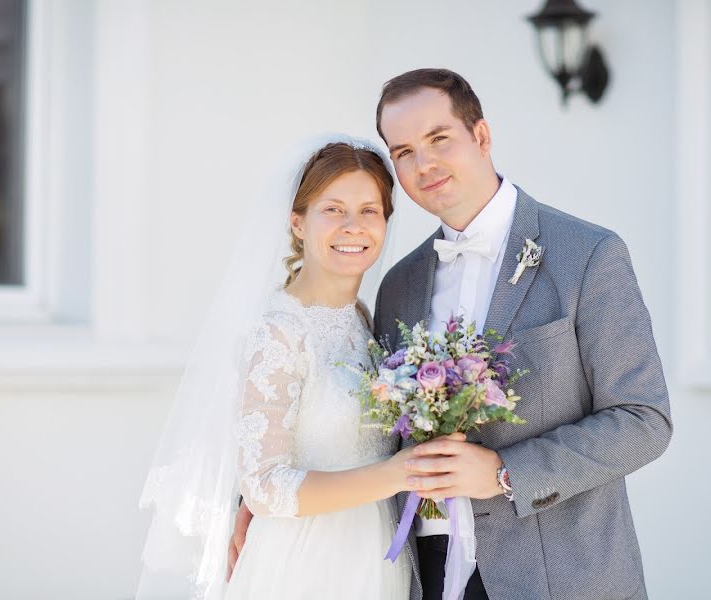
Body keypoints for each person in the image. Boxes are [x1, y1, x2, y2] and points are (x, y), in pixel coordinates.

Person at [231, 69, 673, 600]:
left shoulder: (588, 255)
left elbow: (644, 420)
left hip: (556, 575)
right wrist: (257, 498)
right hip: (416, 574)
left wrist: (506, 472)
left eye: (438, 139)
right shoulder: (399, 285)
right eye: (404, 151)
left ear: (481, 137)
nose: (424, 164)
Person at [137, 138, 461, 600]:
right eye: (333, 209)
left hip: (375, 556)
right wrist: (397, 474)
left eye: (369, 211)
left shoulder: (366, 321)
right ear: (297, 223)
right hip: (306, 563)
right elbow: (265, 486)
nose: (353, 226)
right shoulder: (279, 332)